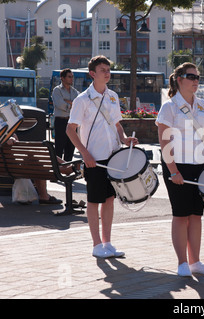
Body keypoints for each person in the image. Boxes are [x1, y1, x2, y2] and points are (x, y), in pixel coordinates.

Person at [156, 62, 204, 276]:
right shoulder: (169, 107)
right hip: (177, 165)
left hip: (201, 165)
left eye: (198, 77)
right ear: (179, 79)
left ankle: (195, 262)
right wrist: (173, 171)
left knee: (196, 215)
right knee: (181, 215)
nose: (196, 80)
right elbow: (164, 142)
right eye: (191, 76)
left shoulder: (202, 105)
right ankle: (182, 263)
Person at [66, 56, 138, 258]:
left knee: (109, 200)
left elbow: (116, 125)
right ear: (92, 74)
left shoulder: (113, 96)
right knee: (94, 201)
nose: (107, 73)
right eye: (102, 69)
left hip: (113, 158)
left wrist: (124, 139)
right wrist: (84, 153)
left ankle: (107, 243)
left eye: (108, 69)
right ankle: (96, 245)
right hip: (94, 159)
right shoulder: (82, 100)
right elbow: (70, 130)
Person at [52, 68, 79, 161]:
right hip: (61, 122)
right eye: (69, 77)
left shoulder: (75, 91)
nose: (72, 79)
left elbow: (79, 105)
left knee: (70, 148)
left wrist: (68, 102)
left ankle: (67, 169)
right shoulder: (57, 90)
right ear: (62, 78)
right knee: (59, 148)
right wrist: (72, 104)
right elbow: (60, 105)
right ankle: (57, 170)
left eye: (72, 77)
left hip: (72, 122)